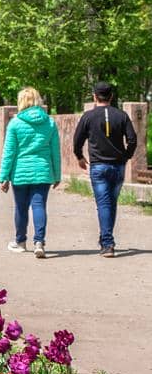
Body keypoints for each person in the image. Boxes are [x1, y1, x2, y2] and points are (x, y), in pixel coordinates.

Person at [73, 82, 139, 258]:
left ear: (95, 96)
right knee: (111, 202)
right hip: (118, 166)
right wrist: (126, 156)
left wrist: (79, 156)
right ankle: (106, 240)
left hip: (98, 166)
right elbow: (132, 139)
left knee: (104, 203)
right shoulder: (122, 116)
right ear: (111, 97)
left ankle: (108, 244)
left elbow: (77, 140)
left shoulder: (88, 116)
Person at [0, 86, 61, 258]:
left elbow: (9, 152)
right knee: (39, 206)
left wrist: (3, 176)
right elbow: (55, 151)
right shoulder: (49, 122)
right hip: (43, 172)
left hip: (20, 173)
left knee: (21, 207)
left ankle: (20, 241)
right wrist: (57, 175)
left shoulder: (15, 123)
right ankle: (39, 242)